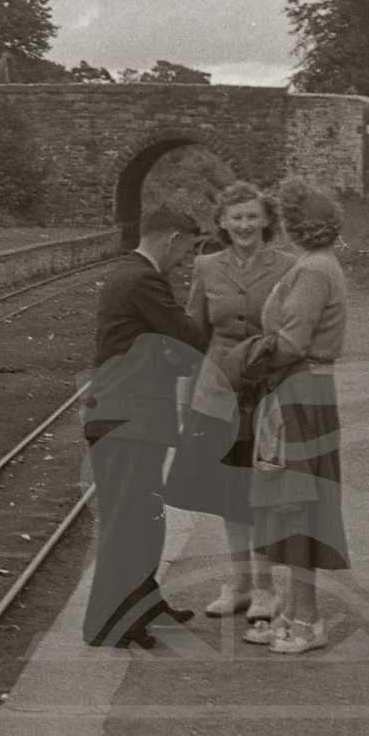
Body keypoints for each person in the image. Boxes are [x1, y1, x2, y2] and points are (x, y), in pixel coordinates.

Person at [164, 182, 295, 622]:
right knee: (229, 495)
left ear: (267, 221)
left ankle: (265, 589)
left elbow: (295, 335)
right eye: (236, 217)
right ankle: (239, 585)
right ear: (221, 222)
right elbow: (195, 335)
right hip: (216, 393)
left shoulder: (288, 267)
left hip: (266, 393)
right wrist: (185, 399)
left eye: (252, 216)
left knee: (263, 493)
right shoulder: (206, 266)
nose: (244, 225)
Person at [81, 205, 211, 649]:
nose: (185, 260)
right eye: (187, 250)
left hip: (126, 414)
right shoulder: (145, 280)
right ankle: (108, 623)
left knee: (142, 518)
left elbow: (152, 347)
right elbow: (189, 338)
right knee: (129, 522)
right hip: (128, 419)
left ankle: (143, 602)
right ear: (171, 239)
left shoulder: (126, 274)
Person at [238, 180, 350, 655]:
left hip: (299, 392)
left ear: (290, 224)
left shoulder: (312, 271)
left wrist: (242, 367)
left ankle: (308, 618)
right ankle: (294, 609)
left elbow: (292, 342)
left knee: (298, 503)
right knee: (288, 500)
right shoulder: (316, 265)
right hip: (300, 390)